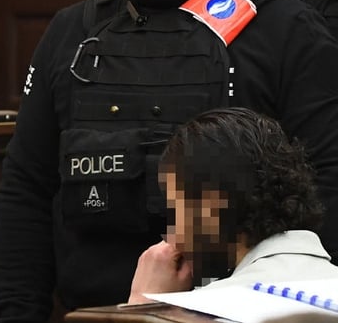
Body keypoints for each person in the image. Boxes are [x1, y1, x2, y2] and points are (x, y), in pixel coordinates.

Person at [0, 0, 338, 320]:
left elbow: (328, 179)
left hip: (248, 309)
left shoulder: (281, 25)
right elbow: (28, 186)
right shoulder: (74, 34)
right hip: (95, 308)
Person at [127, 108, 338, 303]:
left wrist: (142, 303)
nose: (173, 234)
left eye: (175, 209)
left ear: (209, 207)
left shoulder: (207, 308)